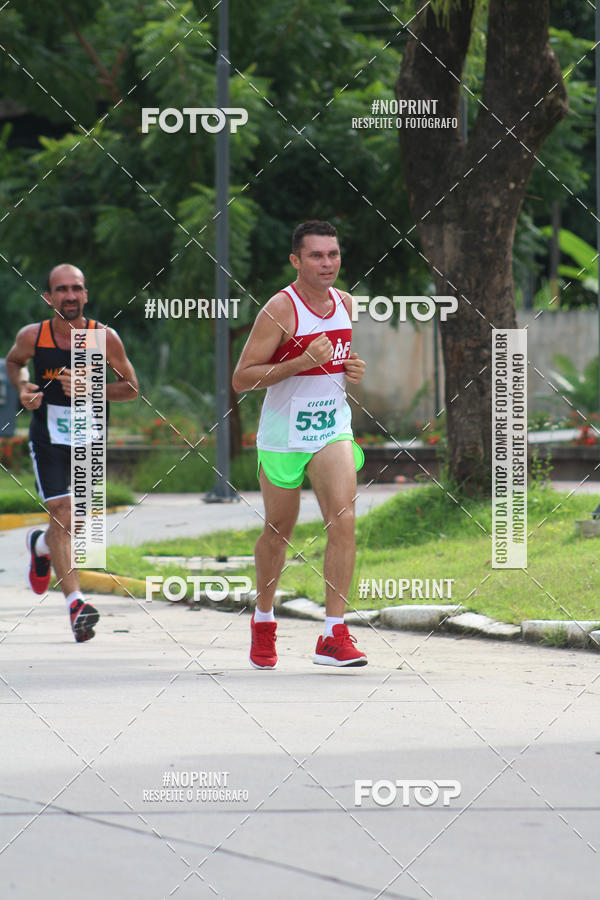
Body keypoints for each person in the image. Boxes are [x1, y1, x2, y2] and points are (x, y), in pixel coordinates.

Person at [232, 221, 368, 669]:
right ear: (296, 260)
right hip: (284, 435)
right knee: (278, 530)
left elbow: (336, 362)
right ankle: (263, 619)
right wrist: (300, 361)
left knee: (343, 521)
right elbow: (242, 378)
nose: (327, 263)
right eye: (316, 255)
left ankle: (333, 634)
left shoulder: (346, 303)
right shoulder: (280, 309)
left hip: (331, 428)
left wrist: (351, 368)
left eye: (333, 254)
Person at [6, 263, 139, 642]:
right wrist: (23, 387)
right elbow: (14, 363)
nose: (70, 295)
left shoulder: (103, 337)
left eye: (76, 288)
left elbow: (132, 388)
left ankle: (41, 544)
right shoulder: (34, 336)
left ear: (85, 294)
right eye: (62, 289)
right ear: (49, 297)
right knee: (62, 514)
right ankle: (76, 603)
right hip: (48, 439)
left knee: (74, 522)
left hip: (88, 441)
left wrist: (93, 387)